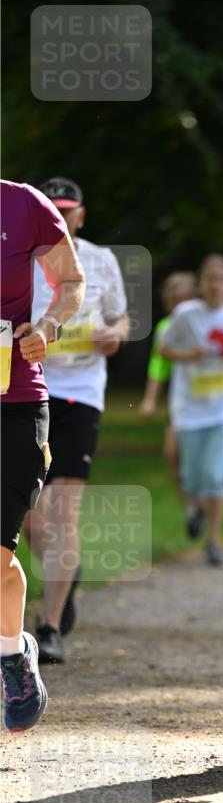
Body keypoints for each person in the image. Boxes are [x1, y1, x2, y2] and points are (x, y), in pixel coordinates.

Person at [24, 177, 129, 664]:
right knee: (32, 515)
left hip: (80, 396)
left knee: (63, 512)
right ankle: (66, 575)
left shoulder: (101, 260)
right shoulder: (20, 259)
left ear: (82, 215)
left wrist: (113, 333)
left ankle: (48, 628)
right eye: (55, 210)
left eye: (70, 210)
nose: (63, 218)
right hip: (25, 391)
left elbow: (122, 319)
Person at [0, 179, 84, 728]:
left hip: (15, 401)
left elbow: (71, 282)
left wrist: (48, 326)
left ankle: (12, 656)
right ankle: (13, 652)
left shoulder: (24, 203)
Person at [159, 254, 223, 565]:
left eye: (221, 279)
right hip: (190, 407)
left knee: (215, 474)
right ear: (201, 283)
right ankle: (193, 511)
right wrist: (188, 355)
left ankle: (213, 540)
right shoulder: (185, 314)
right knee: (191, 477)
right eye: (209, 278)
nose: (215, 285)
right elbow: (164, 349)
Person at [139, 271, 198, 522]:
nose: (178, 305)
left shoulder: (204, 321)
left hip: (209, 401)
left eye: (183, 298)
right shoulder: (165, 328)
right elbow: (158, 367)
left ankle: (205, 499)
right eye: (173, 300)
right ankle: (190, 509)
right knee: (172, 453)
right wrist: (150, 399)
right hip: (181, 401)